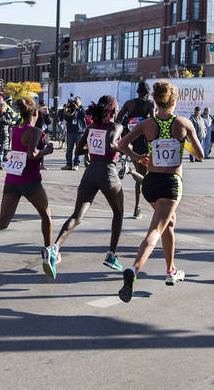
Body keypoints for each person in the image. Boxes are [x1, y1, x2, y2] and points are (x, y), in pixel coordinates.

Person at [116, 81, 204, 302]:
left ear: (155, 101)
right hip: (170, 182)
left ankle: (171, 269)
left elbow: (121, 144)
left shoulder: (147, 124)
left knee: (168, 223)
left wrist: (137, 158)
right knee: (155, 231)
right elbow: (201, 154)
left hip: (150, 181)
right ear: (174, 101)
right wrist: (184, 144)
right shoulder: (183, 124)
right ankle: (134, 270)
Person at [0, 96, 57, 279]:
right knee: (46, 216)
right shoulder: (35, 131)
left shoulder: (15, 129)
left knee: (3, 220)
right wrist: (48, 150)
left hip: (12, 179)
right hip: (30, 180)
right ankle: (48, 252)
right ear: (35, 113)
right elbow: (32, 154)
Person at [54, 95, 125, 271]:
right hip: (108, 172)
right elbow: (111, 143)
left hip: (90, 172)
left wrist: (93, 149)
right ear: (114, 110)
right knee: (118, 213)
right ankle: (111, 254)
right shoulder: (116, 126)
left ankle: (54, 248)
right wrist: (127, 151)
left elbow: (78, 150)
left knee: (77, 216)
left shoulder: (92, 126)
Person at [116, 81, 155, 218]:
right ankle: (139, 207)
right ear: (148, 93)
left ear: (137, 91)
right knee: (143, 175)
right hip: (143, 141)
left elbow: (118, 119)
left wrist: (122, 133)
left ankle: (137, 207)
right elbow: (154, 122)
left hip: (130, 140)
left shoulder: (129, 103)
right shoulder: (149, 104)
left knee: (141, 173)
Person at [61, 97, 86, 170]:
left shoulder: (82, 108)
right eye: (74, 101)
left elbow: (83, 115)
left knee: (78, 148)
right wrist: (65, 110)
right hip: (70, 131)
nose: (75, 102)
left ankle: (76, 164)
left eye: (76, 100)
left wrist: (77, 108)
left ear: (80, 101)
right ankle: (68, 164)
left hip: (79, 131)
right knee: (69, 148)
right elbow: (66, 118)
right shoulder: (71, 108)